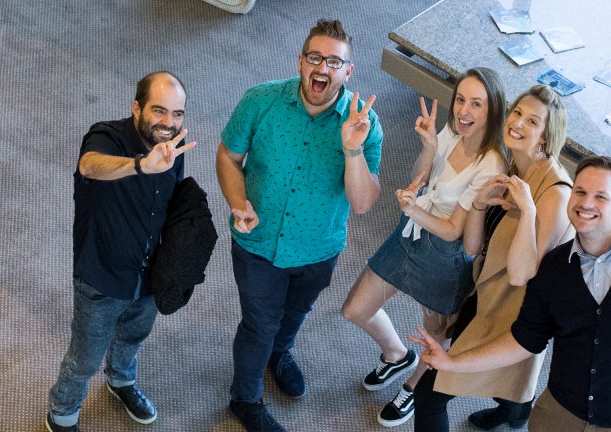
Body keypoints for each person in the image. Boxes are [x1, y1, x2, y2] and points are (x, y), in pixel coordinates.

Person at [411, 155, 611, 432]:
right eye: (579, 191)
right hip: (561, 413)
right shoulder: (555, 268)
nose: (585, 203)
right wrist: (451, 362)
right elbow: (523, 341)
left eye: (600, 196)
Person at [215, 19, 383, 432]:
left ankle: (280, 354)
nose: (322, 69)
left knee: (296, 311)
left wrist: (353, 149)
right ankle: (246, 400)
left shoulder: (365, 124)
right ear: (300, 60)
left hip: (319, 247)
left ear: (348, 71)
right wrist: (239, 203)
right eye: (314, 58)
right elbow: (228, 156)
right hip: (259, 242)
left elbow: (362, 203)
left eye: (333, 61)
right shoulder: (261, 100)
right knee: (260, 323)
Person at [341, 67, 506, 427]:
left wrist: (412, 207)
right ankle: (397, 355)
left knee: (436, 338)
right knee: (355, 308)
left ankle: (415, 387)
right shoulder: (453, 129)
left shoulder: (491, 164)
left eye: (476, 104)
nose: (463, 110)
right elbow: (422, 176)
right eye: (461, 99)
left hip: (443, 257)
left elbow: (453, 232)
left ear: (492, 111)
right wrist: (429, 148)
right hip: (411, 230)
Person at [413, 84, 575, 431]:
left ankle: (514, 409)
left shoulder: (555, 195)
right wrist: (480, 204)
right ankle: (514, 412)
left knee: (430, 394)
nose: (517, 122)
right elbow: (473, 248)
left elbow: (521, 274)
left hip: (513, 315)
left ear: (546, 137)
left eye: (532, 121)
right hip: (485, 294)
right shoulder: (511, 166)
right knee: (495, 377)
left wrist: (528, 209)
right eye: (517, 112)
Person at [46, 71, 196, 432]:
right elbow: (90, 165)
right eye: (159, 111)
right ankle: (62, 411)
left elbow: (170, 204)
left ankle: (121, 381)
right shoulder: (106, 136)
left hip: (148, 274)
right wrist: (141, 165)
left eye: (177, 114)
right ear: (136, 107)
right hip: (101, 276)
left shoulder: (173, 150)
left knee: (132, 337)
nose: (168, 123)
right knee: (84, 357)